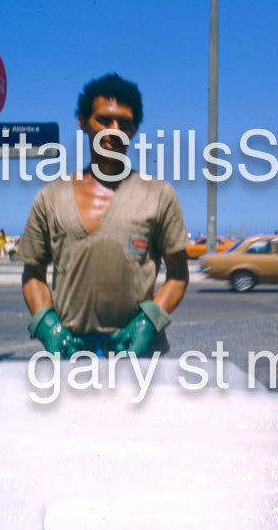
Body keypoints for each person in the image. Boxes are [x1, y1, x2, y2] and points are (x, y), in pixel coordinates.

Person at [18, 73, 188, 357]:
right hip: (72, 359)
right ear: (83, 122)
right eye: (104, 120)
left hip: (139, 359)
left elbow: (179, 275)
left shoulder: (159, 195)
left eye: (125, 123)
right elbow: (33, 274)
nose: (115, 130)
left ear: (134, 130)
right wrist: (47, 326)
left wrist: (149, 322)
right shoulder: (50, 198)